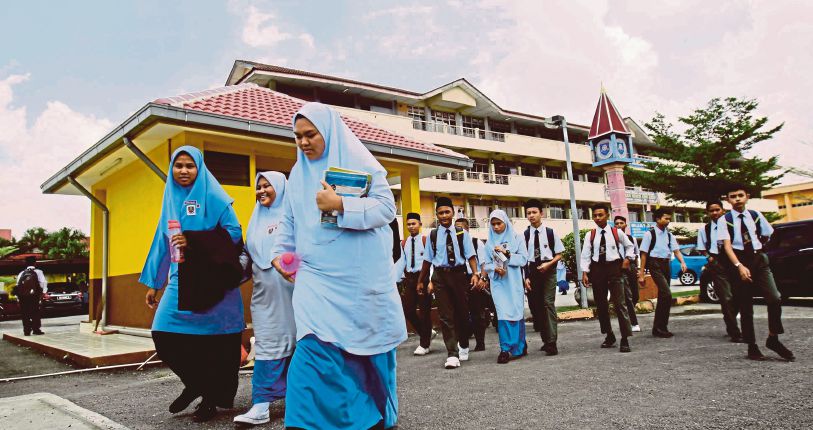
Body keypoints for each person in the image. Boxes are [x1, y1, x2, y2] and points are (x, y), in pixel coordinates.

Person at [269, 102, 407, 429]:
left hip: (358, 280)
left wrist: (341, 204)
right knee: (312, 351)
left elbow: (386, 209)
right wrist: (280, 253)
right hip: (315, 280)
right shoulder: (297, 174)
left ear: (328, 132)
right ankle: (304, 423)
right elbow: (288, 220)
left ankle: (363, 416)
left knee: (360, 353)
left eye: (310, 135)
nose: (303, 143)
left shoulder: (359, 162)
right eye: (297, 136)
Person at [140, 146, 245, 422]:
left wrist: (194, 241)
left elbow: (234, 233)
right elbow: (164, 240)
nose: (184, 171)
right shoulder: (171, 199)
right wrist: (155, 282)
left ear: (200, 169)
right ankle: (196, 385)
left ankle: (209, 401)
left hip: (215, 283)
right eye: (178, 166)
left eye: (190, 166)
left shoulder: (215, 196)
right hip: (180, 280)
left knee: (216, 348)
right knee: (163, 334)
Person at [234, 171, 296, 426]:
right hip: (264, 297)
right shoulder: (255, 220)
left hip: (294, 295)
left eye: (267, 186)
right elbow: (248, 256)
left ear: (281, 188)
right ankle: (260, 406)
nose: (261, 191)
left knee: (300, 345)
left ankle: (300, 401)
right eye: (258, 187)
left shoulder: (293, 216)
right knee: (267, 346)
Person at [719, 184, 794, 361]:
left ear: (747, 196)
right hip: (739, 261)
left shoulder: (755, 216)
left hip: (758, 259)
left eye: (740, 195)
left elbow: (768, 234)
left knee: (775, 297)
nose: (737, 199)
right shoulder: (725, 220)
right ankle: (752, 346)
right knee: (746, 306)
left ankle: (773, 338)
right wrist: (739, 266)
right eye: (733, 196)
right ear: (727, 199)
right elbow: (727, 247)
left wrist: (760, 251)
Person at [417, 197, 479, 370]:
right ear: (437, 215)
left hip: (459, 275)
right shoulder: (433, 235)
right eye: (440, 213)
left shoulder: (462, 233)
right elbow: (427, 259)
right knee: (445, 316)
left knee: (461, 313)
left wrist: (475, 274)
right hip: (440, 276)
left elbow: (471, 256)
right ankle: (452, 354)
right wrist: (422, 280)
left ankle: (464, 345)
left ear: (453, 212)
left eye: (447, 212)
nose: (444, 215)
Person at [580, 205, 635, 353]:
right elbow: (585, 254)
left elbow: (630, 247)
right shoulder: (590, 235)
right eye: (595, 215)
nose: (597, 218)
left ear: (607, 215)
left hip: (615, 268)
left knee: (620, 303)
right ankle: (609, 335)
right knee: (601, 305)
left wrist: (627, 259)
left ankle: (625, 338)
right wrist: (585, 273)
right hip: (597, 269)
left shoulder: (617, 232)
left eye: (601, 215)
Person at [483, 210, 529, 363]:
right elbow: (486, 264)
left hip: (514, 282)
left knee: (516, 312)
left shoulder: (517, 238)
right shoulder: (489, 243)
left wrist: (507, 253)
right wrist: (494, 269)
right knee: (503, 315)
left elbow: (523, 259)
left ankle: (520, 346)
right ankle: (505, 349)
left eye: (499, 223)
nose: (496, 227)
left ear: (506, 223)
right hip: (499, 283)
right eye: (493, 224)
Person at [522, 199, 564, 355]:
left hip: (548, 271)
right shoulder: (525, 235)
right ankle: (546, 340)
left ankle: (552, 342)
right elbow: (524, 259)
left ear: (541, 213)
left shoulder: (550, 232)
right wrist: (526, 277)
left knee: (548, 304)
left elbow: (559, 254)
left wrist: (548, 264)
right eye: (528, 213)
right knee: (537, 307)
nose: (531, 216)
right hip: (532, 272)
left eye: (534, 212)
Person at [695, 200, 741, 343]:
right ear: (707, 213)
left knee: (738, 296)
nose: (715, 213)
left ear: (723, 210)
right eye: (711, 210)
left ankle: (731, 319)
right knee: (726, 298)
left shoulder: (732, 225)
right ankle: (734, 331)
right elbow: (701, 248)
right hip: (717, 264)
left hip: (734, 262)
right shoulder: (705, 230)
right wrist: (710, 258)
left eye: (717, 210)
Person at [638, 208, 687, 338]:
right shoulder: (650, 234)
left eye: (669, 218)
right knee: (666, 293)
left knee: (664, 296)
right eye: (666, 218)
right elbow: (643, 254)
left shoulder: (669, 235)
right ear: (658, 219)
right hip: (654, 264)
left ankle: (660, 327)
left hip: (666, 264)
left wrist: (682, 262)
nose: (668, 221)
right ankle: (659, 327)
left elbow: (676, 251)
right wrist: (641, 274)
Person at [396, 213, 436, 356]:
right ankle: (427, 333)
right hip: (410, 279)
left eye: (414, 223)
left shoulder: (426, 240)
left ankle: (424, 344)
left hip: (424, 278)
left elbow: (431, 261)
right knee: (408, 310)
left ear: (420, 224)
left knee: (425, 312)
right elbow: (401, 262)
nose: (411, 226)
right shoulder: (404, 243)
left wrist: (431, 280)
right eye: (408, 224)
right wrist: (396, 280)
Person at [455, 217, 488, 352]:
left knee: (477, 311)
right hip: (459, 279)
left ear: (467, 228)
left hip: (474, 278)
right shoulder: (454, 242)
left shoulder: (476, 242)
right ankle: (463, 340)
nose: (458, 230)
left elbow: (484, 263)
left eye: (460, 227)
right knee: (460, 311)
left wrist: (483, 279)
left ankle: (480, 342)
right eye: (456, 228)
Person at [613, 216, 641, 333]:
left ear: (625, 225)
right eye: (617, 223)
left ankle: (628, 315)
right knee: (627, 297)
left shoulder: (631, 238)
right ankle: (633, 322)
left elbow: (636, 253)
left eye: (621, 223)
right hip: (619, 269)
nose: (619, 225)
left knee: (635, 296)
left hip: (631, 267)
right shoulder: (613, 239)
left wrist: (638, 269)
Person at [15, 256, 47, 336]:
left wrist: (18, 299)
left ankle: (26, 330)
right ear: (35, 263)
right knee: (35, 312)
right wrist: (43, 293)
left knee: (25, 313)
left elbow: (17, 286)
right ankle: (36, 329)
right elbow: (43, 283)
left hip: (23, 297)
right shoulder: (38, 272)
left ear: (26, 263)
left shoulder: (21, 273)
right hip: (34, 296)